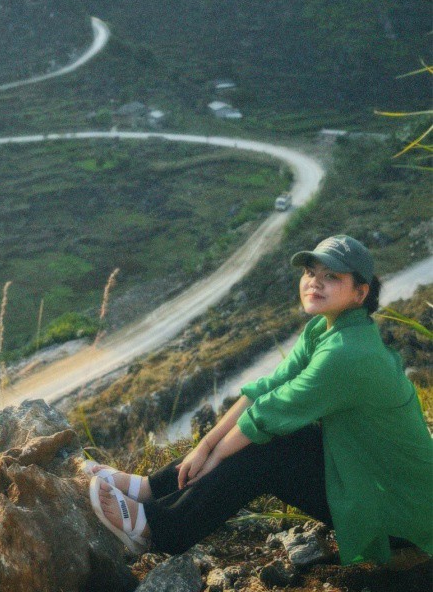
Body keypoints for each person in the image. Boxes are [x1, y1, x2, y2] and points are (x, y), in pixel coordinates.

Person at [88, 234, 433, 565]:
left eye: (331, 276)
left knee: (265, 451)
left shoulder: (348, 354)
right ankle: (148, 488)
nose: (314, 282)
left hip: (398, 513)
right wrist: (205, 446)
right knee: (273, 439)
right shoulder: (326, 329)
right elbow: (267, 387)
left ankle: (158, 529)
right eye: (311, 273)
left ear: (361, 292)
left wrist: (213, 456)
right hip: (367, 474)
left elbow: (266, 415)